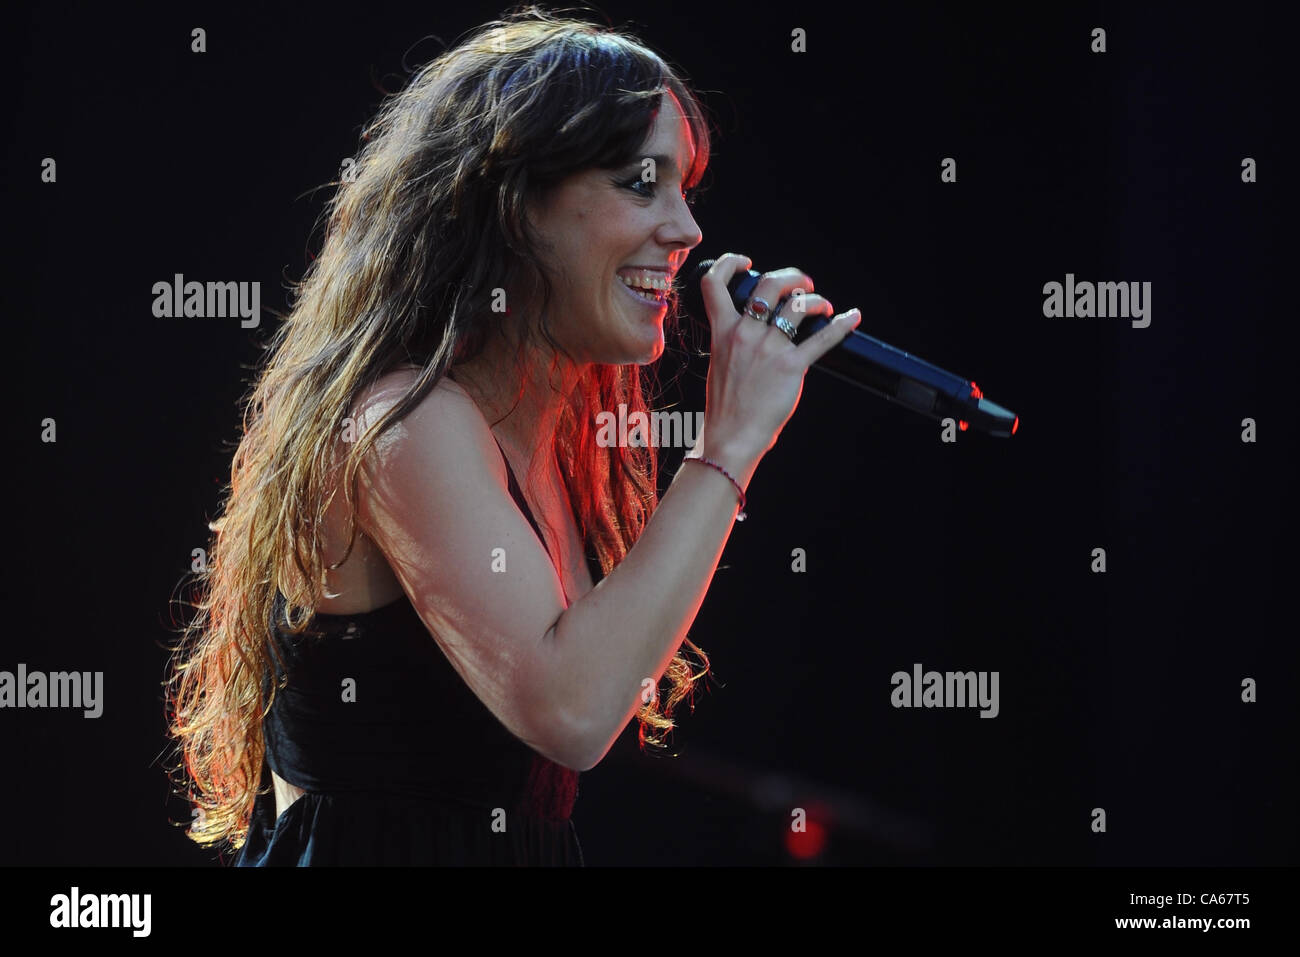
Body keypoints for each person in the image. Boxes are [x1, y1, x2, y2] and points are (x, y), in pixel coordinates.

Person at [163, 5, 861, 866]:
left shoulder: (549, 443)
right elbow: (572, 710)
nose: (686, 230)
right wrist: (729, 445)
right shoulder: (407, 423)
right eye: (643, 181)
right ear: (516, 206)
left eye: (686, 188)